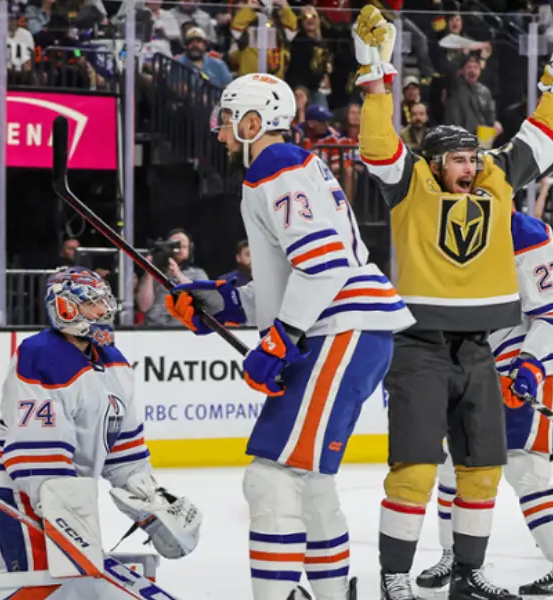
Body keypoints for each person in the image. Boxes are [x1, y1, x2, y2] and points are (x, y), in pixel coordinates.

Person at [352, 4, 553, 598]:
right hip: (419, 348)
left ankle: (468, 575)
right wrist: (373, 69)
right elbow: (379, 143)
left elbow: (541, 138)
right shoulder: (409, 186)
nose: (471, 165)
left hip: (479, 350)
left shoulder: (497, 183)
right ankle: (395, 579)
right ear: (435, 163)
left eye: (474, 157)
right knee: (412, 472)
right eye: (460, 159)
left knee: (482, 470)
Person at [167, 71, 413, 600]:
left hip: (339, 329)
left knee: (271, 479)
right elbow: (299, 272)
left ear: (254, 122)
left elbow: (323, 268)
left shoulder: (273, 165)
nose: (219, 130)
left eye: (228, 118)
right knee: (309, 480)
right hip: (351, 327)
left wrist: (280, 338)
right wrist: (226, 300)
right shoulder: (290, 166)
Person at [0, 266, 201, 579]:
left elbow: (124, 455)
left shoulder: (115, 362)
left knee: (69, 578)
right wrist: (69, 521)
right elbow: (37, 456)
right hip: (12, 489)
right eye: (93, 303)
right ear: (65, 309)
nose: (103, 310)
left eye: (104, 301)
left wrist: (150, 507)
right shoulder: (39, 355)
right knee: (48, 583)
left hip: (62, 494)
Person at [415, 210, 553, 598]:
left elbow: (549, 315)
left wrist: (529, 365)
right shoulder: (442, 225)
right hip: (482, 362)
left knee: (526, 466)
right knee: (451, 465)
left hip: (534, 360)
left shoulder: (525, 233)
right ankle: (454, 558)